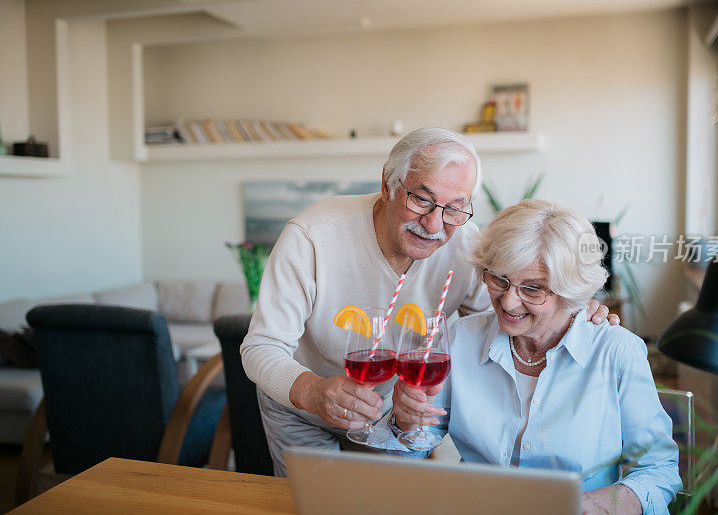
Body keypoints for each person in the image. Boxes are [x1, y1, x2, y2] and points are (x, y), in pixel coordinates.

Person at [241, 128, 617, 477]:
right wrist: (312, 391)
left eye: (455, 207)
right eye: (422, 199)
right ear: (388, 183)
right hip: (303, 404)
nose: (435, 225)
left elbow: (501, 324)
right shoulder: (312, 237)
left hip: (390, 414)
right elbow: (262, 346)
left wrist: (570, 313)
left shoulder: (467, 246)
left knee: (381, 504)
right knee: (313, 505)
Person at [391, 199, 681, 515]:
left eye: (533, 289)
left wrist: (604, 504)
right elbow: (414, 446)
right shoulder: (459, 339)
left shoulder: (617, 352)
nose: (509, 302)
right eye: (499, 279)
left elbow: (658, 467)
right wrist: (405, 422)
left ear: (570, 290)